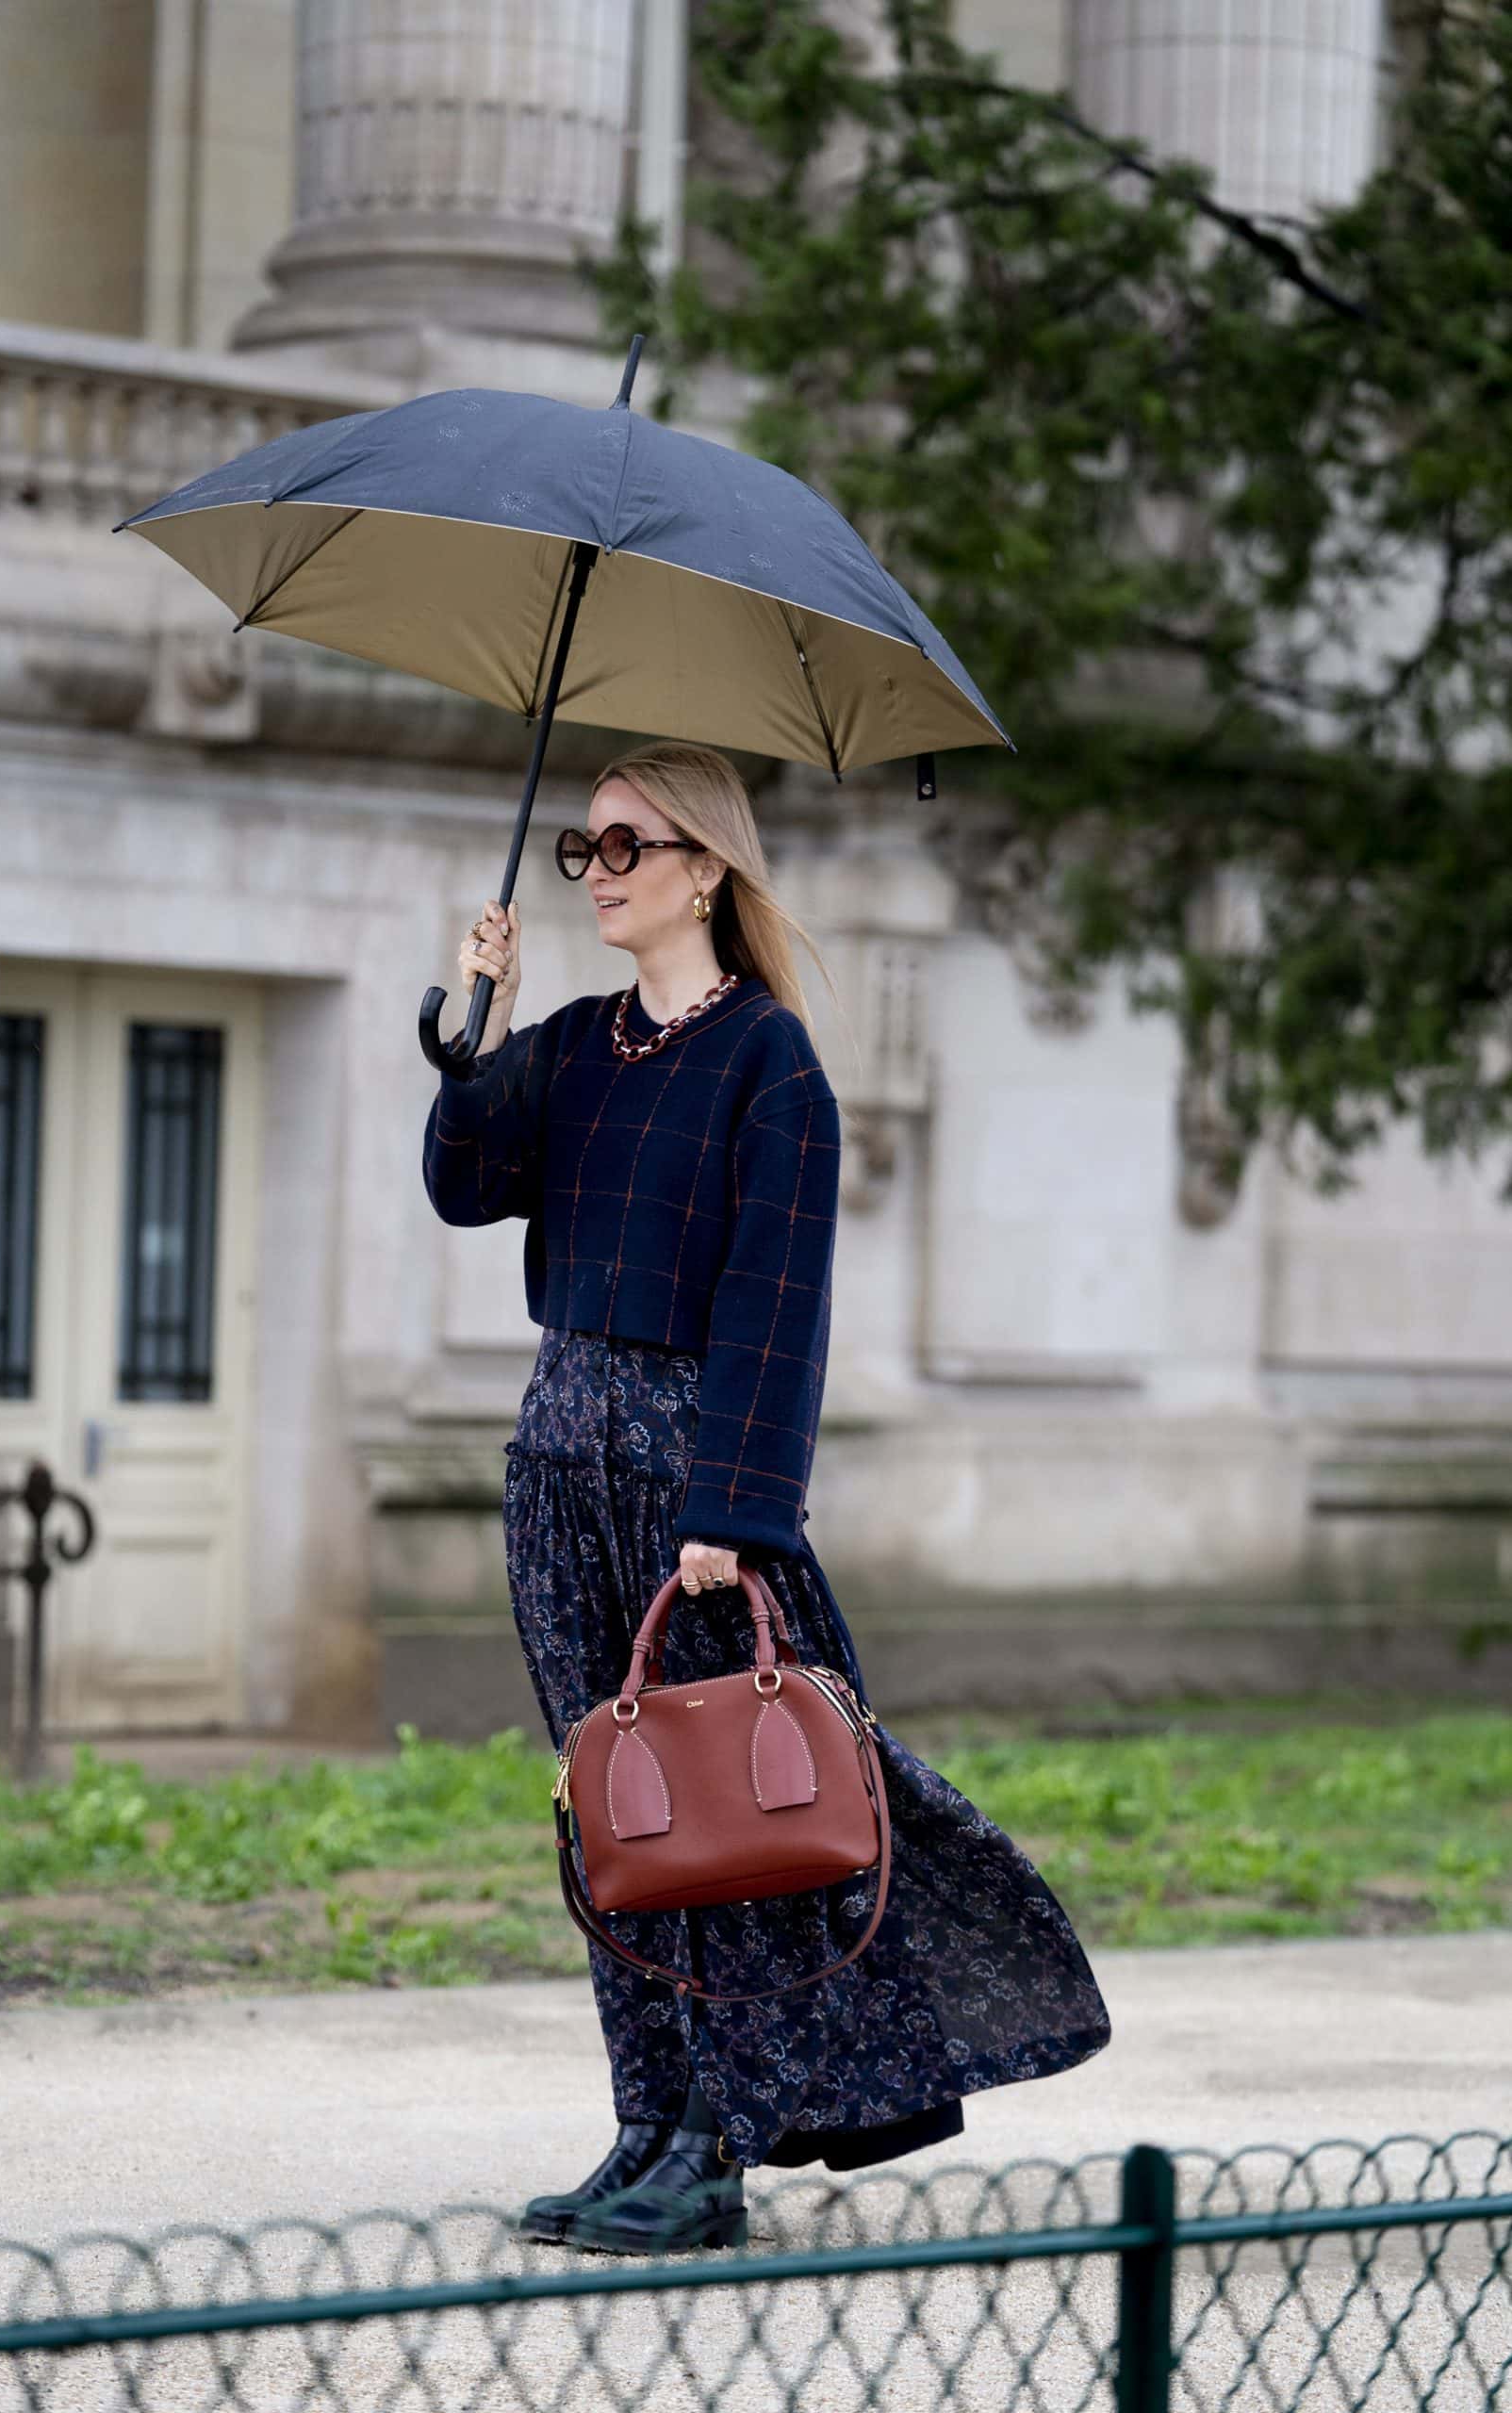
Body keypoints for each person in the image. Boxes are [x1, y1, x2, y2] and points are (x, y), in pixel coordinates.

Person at [422, 740, 1110, 2257]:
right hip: (559, 1451)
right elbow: (468, 1188)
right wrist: (475, 1032)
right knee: (615, 1806)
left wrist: (732, 1508)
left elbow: (777, 1305)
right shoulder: (580, 1044)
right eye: (583, 851)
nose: (596, 872)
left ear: (706, 869)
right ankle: (645, 2123)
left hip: (689, 1473)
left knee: (720, 1802)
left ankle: (721, 2147)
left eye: (623, 848)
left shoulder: (771, 1064)